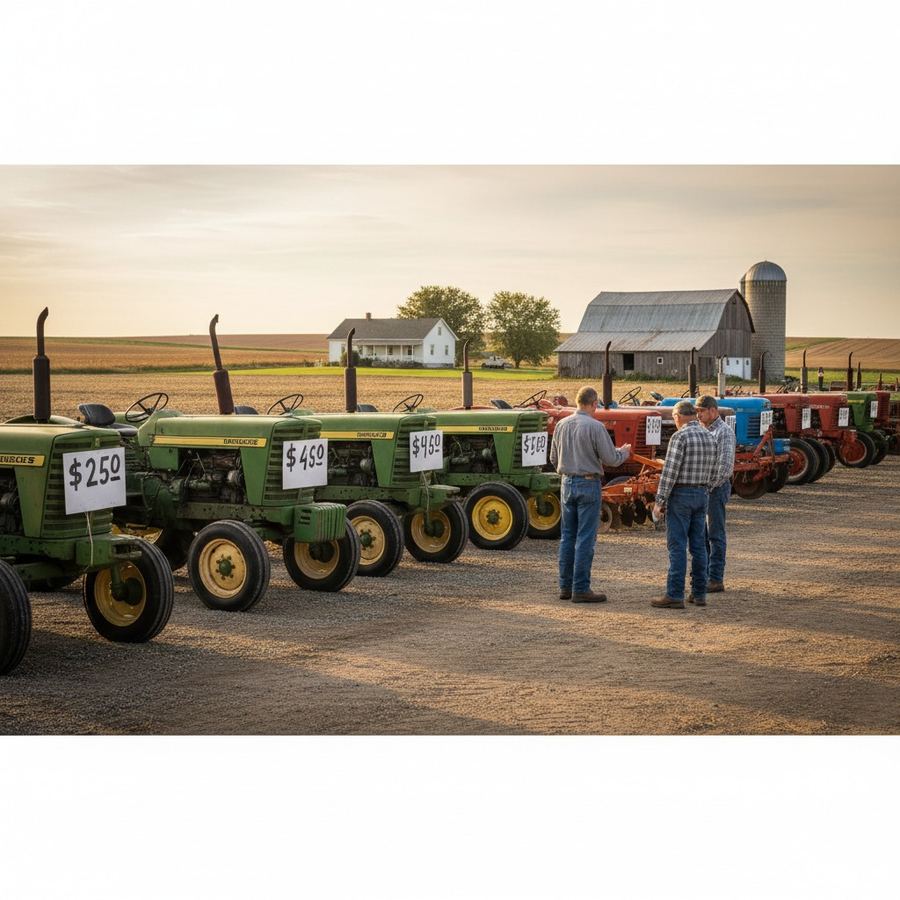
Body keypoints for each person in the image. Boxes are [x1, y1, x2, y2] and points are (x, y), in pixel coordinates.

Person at [550, 386, 631, 603]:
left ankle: (565, 587)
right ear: (594, 403)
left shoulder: (561, 424)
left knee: (568, 536)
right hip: (588, 483)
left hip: (567, 483)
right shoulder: (596, 427)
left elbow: (553, 458)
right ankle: (581, 588)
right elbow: (611, 459)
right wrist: (625, 451)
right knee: (586, 537)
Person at [651, 400, 717, 609]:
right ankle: (699, 593)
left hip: (681, 495)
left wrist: (659, 502)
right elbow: (715, 470)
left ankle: (674, 594)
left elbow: (670, 473)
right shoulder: (709, 435)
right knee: (698, 546)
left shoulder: (679, 437)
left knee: (677, 546)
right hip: (702, 493)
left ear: (678, 417)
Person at [696, 394, 736, 595]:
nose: (698, 415)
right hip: (703, 488)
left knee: (715, 534)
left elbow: (725, 467)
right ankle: (705, 575)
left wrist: (708, 486)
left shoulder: (724, 432)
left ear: (713, 410)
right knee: (701, 534)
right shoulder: (703, 430)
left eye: (701, 411)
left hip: (715, 488)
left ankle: (716, 578)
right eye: (696, 411)